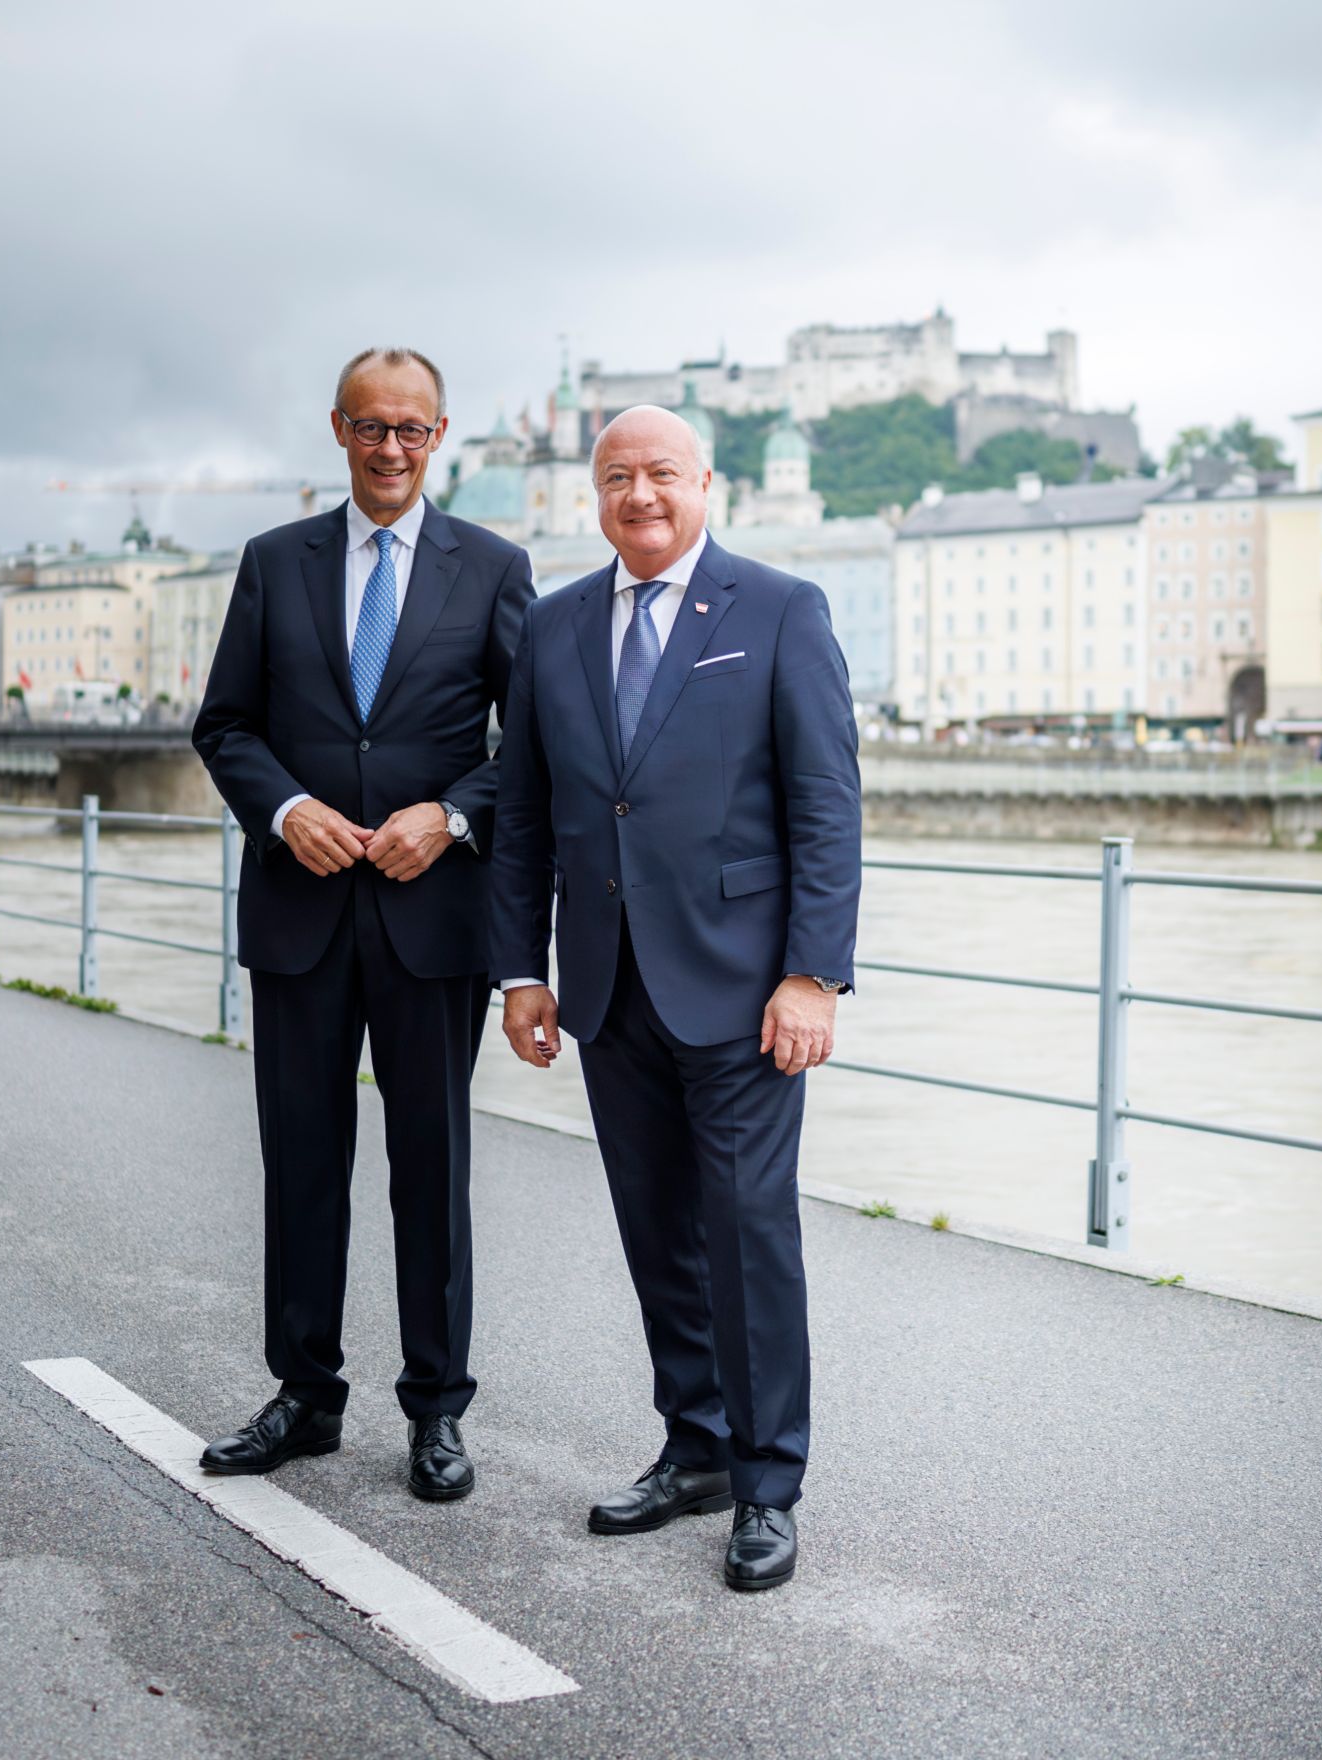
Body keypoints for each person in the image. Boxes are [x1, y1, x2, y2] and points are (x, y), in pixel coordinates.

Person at [488, 404, 860, 1590]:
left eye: (660, 473)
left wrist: (813, 972)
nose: (639, 495)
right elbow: (525, 813)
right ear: (593, 494)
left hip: (747, 989)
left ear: (706, 483)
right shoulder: (553, 626)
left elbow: (825, 804)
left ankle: (767, 1481)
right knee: (656, 1228)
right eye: (616, 477)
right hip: (608, 987)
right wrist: (523, 969)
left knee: (748, 1232)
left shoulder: (780, 608)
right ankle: (694, 1447)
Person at [191, 347, 533, 1500]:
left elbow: (532, 743)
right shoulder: (272, 561)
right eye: (372, 426)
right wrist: (286, 811)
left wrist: (452, 814)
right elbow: (225, 724)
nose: (391, 448)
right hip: (300, 912)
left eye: (411, 429)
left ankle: (437, 1409)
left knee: (431, 1167)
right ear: (338, 429)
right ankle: (305, 1394)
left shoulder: (494, 568)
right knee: (301, 1161)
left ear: (441, 436)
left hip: (434, 918)